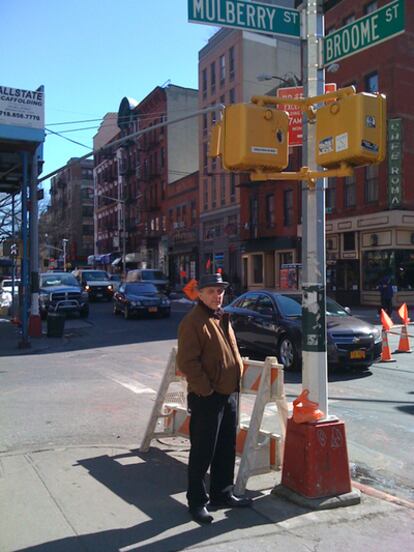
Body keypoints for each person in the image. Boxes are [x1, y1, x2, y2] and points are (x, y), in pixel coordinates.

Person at [176, 273, 252, 524]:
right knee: (202, 451)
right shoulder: (193, 321)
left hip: (228, 393)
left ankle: (222, 493)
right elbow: (187, 362)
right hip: (207, 396)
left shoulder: (222, 318)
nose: (216, 296)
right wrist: (206, 390)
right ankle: (197, 502)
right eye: (210, 291)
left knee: (225, 448)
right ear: (199, 293)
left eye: (220, 291)